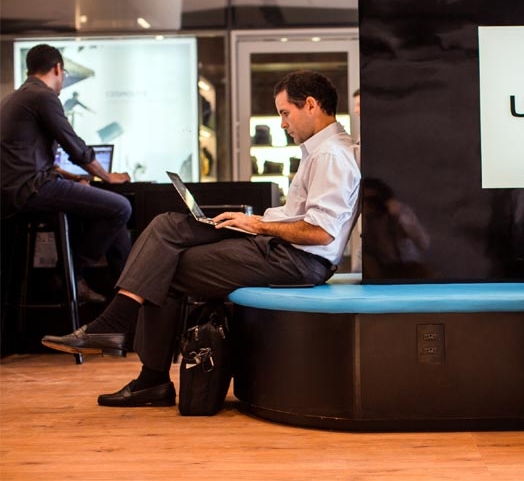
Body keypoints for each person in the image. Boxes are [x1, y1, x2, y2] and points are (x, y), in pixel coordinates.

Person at [42, 70, 362, 408]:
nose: (283, 123)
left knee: (164, 264)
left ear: (310, 105)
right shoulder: (322, 150)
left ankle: (138, 359)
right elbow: (302, 217)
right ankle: (126, 342)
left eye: (285, 113)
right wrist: (253, 220)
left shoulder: (330, 155)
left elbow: (320, 232)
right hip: (286, 250)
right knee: (166, 227)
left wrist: (258, 226)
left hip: (299, 260)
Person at [1, 44, 132, 303]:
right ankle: (70, 273)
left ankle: (127, 297)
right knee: (121, 208)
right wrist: (107, 177)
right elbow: (75, 147)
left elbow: (30, 160)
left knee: (112, 218)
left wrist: (73, 179)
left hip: (14, 192)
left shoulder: (13, 98)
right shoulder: (43, 96)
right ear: (58, 68)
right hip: (30, 191)